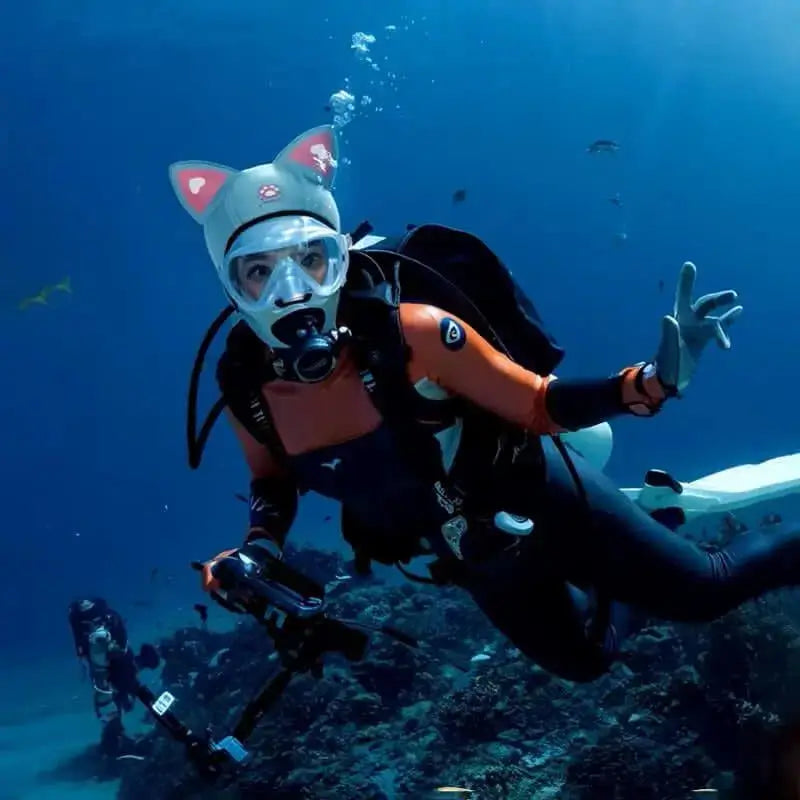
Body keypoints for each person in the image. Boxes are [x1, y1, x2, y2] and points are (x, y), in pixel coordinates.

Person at [167, 124, 800, 684]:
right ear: (232, 283)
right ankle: (650, 534)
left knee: (705, 592)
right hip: (469, 547)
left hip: (534, 489)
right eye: (259, 271)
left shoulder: (412, 333)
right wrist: (258, 547)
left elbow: (539, 406)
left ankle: (659, 544)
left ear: (340, 259)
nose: (291, 291)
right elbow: (272, 479)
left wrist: (649, 383)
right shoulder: (243, 382)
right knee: (585, 662)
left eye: (312, 260)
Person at [68, 598, 160, 755]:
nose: (94, 628)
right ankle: (117, 733)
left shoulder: (109, 621)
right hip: (109, 666)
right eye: (89, 625)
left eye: (97, 622)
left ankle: (117, 733)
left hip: (115, 665)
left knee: (123, 685)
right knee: (120, 688)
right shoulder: (90, 625)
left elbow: (119, 648)